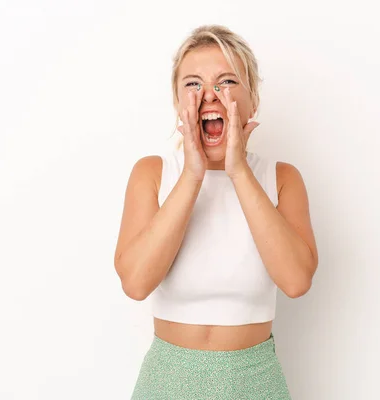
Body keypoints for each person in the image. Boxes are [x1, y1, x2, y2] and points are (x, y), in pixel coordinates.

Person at [114, 24, 318, 399]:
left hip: (255, 382)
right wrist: (193, 173)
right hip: (167, 382)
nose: (209, 95)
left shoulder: (282, 178)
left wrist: (237, 169)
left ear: (252, 100)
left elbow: (296, 281)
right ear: (178, 103)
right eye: (193, 85)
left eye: (226, 82)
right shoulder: (153, 174)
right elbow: (136, 283)